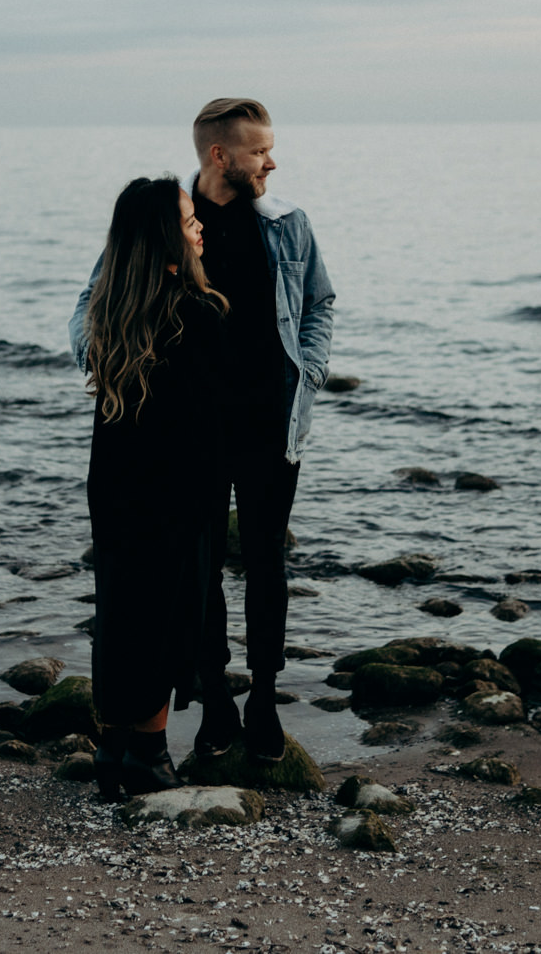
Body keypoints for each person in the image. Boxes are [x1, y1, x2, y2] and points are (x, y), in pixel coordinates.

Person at [72, 98, 335, 763]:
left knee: (268, 564)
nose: (272, 161)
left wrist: (311, 371)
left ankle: (266, 700)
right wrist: (115, 371)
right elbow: (93, 305)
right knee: (199, 574)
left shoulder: (288, 226)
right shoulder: (166, 219)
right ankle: (215, 702)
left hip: (270, 428)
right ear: (220, 155)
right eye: (259, 150)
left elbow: (319, 304)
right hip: (188, 439)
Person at [80, 175, 232, 800]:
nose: (200, 227)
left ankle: (113, 750)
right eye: (189, 219)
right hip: (179, 493)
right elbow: (214, 420)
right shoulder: (197, 314)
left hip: (116, 489)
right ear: (165, 239)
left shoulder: (111, 316)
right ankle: (148, 754)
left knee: (121, 612)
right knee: (170, 617)